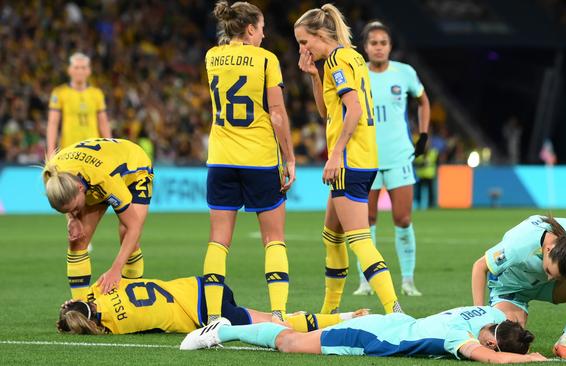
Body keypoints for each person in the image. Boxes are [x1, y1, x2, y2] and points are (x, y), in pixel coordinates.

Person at [294, 4, 401, 315]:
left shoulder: (339, 60)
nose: (302, 48)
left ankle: (395, 310)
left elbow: (352, 109)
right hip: (364, 157)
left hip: (350, 159)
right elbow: (329, 112)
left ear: (320, 35)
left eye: (304, 42)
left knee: (359, 239)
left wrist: (336, 154)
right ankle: (330, 311)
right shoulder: (347, 58)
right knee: (332, 235)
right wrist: (314, 77)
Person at [202, 1, 296, 324]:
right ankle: (279, 315)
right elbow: (278, 114)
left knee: (218, 239)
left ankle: (213, 317)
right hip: (259, 158)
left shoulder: (211, 57)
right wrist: (289, 156)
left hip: (221, 158)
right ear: (251, 28)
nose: (265, 33)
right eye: (262, 27)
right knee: (274, 238)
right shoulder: (267, 60)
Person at [471, 215, 566, 360]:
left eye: (557, 275)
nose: (550, 277)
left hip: (550, 288)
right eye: (549, 271)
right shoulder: (519, 244)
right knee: (511, 345)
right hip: (511, 291)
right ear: (548, 249)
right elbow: (479, 267)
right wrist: (480, 316)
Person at [353, 21, 431, 297]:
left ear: (390, 46)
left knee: (403, 218)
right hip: (367, 157)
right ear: (365, 47)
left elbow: (423, 100)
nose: (378, 47)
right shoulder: (356, 71)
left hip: (399, 156)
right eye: (373, 43)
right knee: (367, 219)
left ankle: (408, 280)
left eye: (383, 42)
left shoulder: (404, 73)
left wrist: (423, 134)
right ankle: (366, 281)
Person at [180, 305, 547, 363]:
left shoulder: (490, 313)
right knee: (289, 343)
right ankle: (224, 331)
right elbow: (491, 358)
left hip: (389, 324)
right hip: (370, 338)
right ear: (491, 339)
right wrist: (527, 357)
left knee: (295, 339)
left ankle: (227, 329)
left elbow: (514, 311)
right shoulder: (459, 339)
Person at [57, 276, 368, 335]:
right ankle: (344, 317)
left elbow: (93, 321)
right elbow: (86, 298)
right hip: (204, 285)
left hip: (202, 311)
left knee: (276, 325)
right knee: (276, 319)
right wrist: (73, 304)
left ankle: (347, 319)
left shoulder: (115, 326)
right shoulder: (102, 287)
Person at [42, 138, 153, 299]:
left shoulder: (104, 180)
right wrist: (72, 219)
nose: (73, 212)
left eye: (74, 209)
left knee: (127, 236)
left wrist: (116, 270)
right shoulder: (52, 176)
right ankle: (79, 308)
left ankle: (132, 305)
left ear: (80, 189)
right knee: (77, 240)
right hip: (94, 170)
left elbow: (134, 227)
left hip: (134, 168)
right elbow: (67, 202)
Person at [47, 52, 111, 158]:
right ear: (70, 70)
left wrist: (110, 147)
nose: (80, 71)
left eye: (83, 67)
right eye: (76, 67)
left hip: (93, 150)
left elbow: (103, 123)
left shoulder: (97, 94)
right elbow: (53, 123)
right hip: (69, 150)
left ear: (88, 71)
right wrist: (50, 150)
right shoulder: (59, 93)